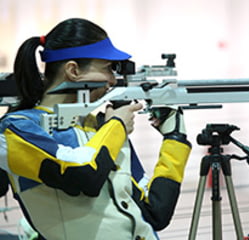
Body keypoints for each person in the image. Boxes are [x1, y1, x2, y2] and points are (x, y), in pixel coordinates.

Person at [0, 18, 191, 240]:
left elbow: (155, 212)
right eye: (108, 68)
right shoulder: (16, 129)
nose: (112, 80)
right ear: (73, 70)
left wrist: (174, 139)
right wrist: (116, 126)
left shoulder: (99, 127)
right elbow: (81, 174)